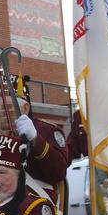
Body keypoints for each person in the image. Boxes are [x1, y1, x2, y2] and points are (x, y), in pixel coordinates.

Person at [11, 73, 70, 206]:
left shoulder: (47, 131)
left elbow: (59, 171)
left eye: (8, 107)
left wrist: (36, 140)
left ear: (25, 108)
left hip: (35, 202)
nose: (2, 112)